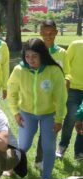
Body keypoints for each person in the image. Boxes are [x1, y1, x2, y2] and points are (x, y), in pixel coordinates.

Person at [7, 38, 67, 179]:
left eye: (34, 56)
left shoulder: (53, 71)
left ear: (42, 55)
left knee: (48, 147)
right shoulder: (19, 70)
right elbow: (12, 92)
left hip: (49, 115)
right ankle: (13, 167)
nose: (30, 60)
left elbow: (61, 97)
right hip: (26, 113)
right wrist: (15, 112)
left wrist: (59, 118)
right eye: (27, 56)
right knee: (23, 145)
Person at [34, 19, 69, 169]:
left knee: (48, 132)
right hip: (37, 97)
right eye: (45, 33)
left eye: (52, 33)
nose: (48, 36)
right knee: (30, 132)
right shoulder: (35, 50)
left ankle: (39, 160)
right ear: (40, 32)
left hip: (55, 100)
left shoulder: (62, 53)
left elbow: (68, 73)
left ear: (56, 32)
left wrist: (67, 81)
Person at [57, 39, 83, 161]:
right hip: (73, 88)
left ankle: (79, 152)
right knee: (71, 117)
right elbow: (65, 65)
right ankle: (62, 146)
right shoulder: (76, 45)